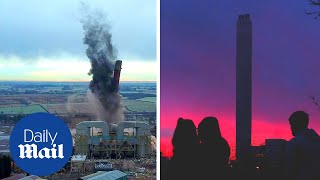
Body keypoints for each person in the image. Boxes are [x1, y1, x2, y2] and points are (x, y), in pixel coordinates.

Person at [285, 111, 320, 180]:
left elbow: (289, 170)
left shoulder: (294, 143)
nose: (291, 128)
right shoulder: (316, 140)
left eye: (291, 124)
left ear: (296, 125)